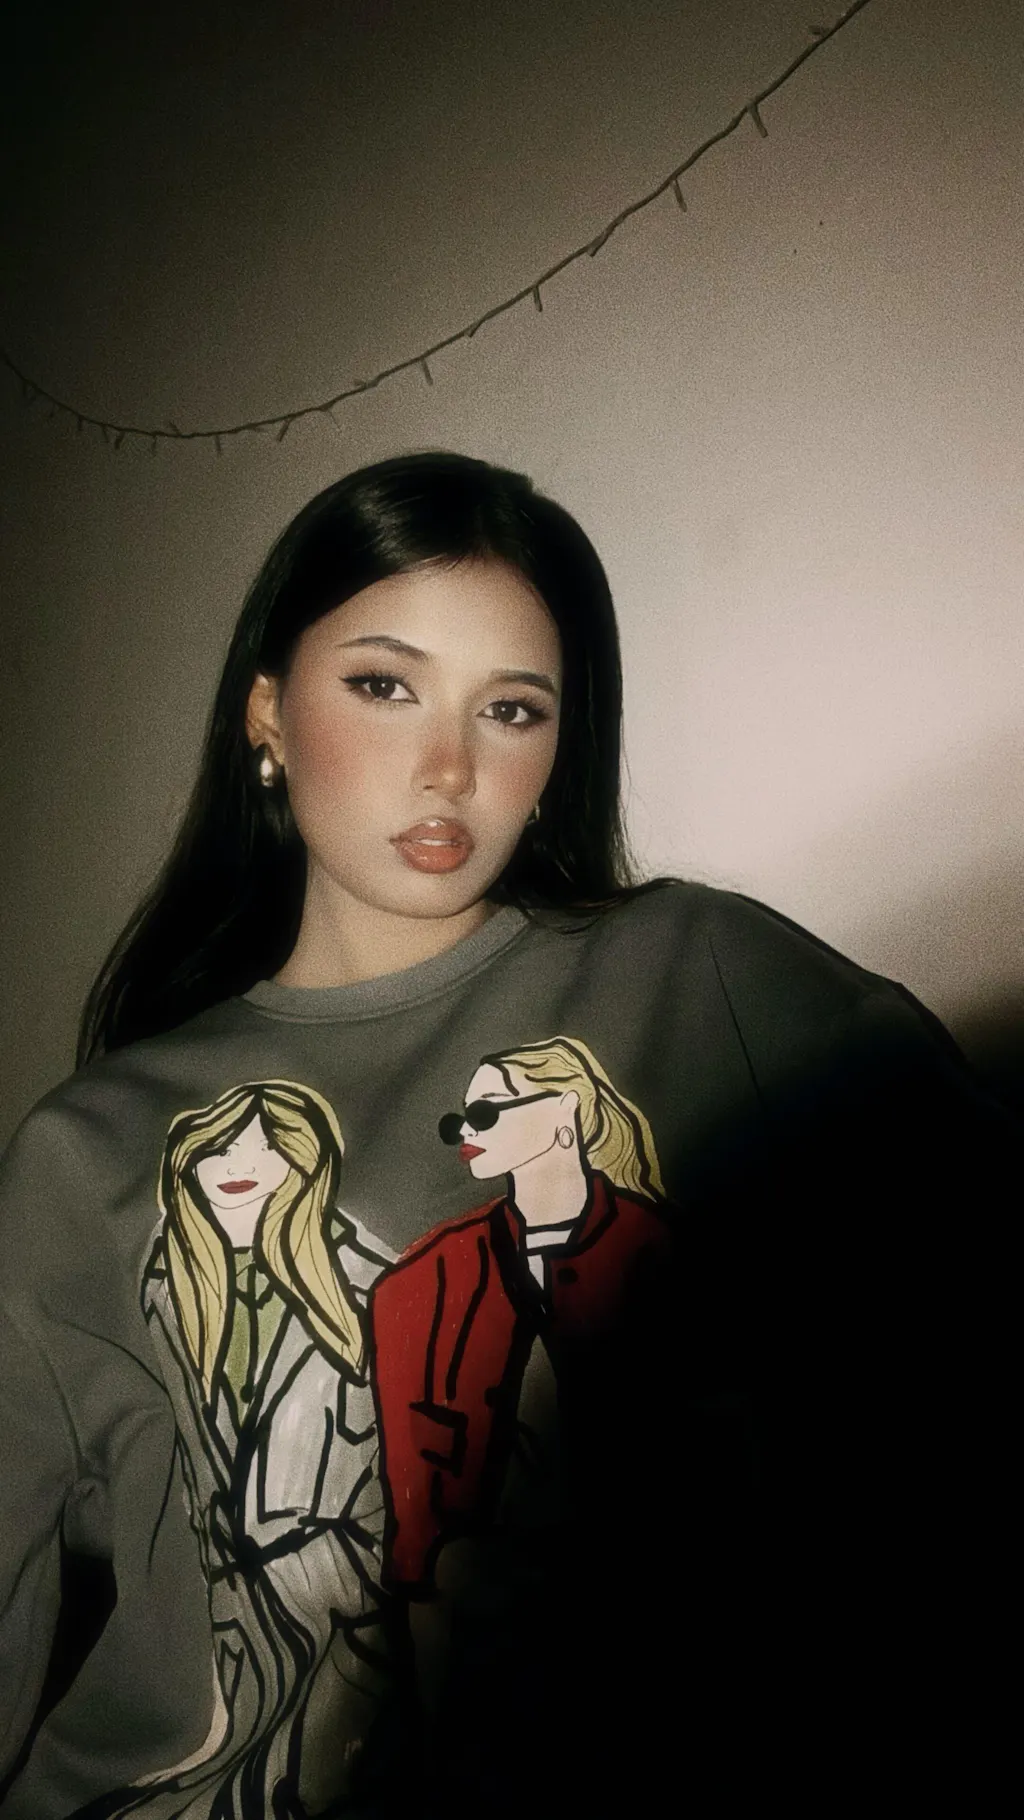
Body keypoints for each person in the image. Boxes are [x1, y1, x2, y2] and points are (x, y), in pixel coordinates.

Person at [0, 451, 1013, 1819]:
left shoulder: (700, 974)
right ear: (268, 713)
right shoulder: (88, 1148)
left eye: (513, 709)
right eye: (385, 685)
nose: (450, 767)